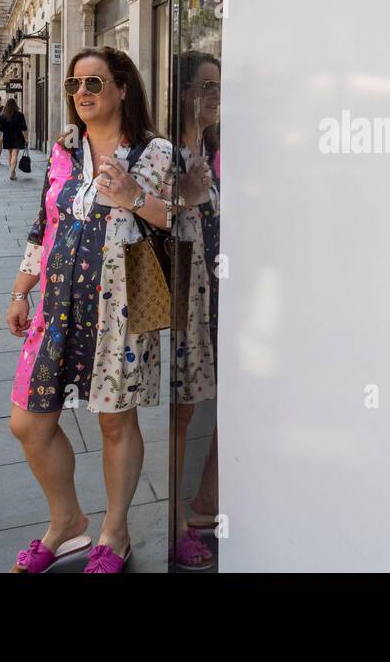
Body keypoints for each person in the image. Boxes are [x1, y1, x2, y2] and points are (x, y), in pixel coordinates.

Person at [6, 46, 180, 574]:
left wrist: (133, 196)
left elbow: (179, 220)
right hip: (56, 305)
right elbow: (45, 223)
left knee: (113, 423)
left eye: (95, 83)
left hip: (119, 307)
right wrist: (20, 290)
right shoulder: (64, 149)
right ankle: (67, 523)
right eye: (75, 85)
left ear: (123, 88)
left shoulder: (156, 153)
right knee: (28, 423)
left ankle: (115, 532)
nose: (82, 93)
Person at [169, 51, 221, 571]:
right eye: (207, 87)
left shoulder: (206, 142)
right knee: (180, 408)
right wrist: (185, 197)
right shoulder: (167, 149)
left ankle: (190, 513)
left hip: (207, 286)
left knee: (189, 404)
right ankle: (175, 521)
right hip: (181, 290)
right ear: (184, 92)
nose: (215, 97)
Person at [0, 97, 28, 181]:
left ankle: (12, 172)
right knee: (15, 154)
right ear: (15, 105)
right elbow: (24, 128)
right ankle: (12, 172)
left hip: (7, 136)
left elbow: (0, 128)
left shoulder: (2, 115)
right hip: (17, 136)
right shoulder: (20, 114)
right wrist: (26, 138)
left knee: (10, 154)